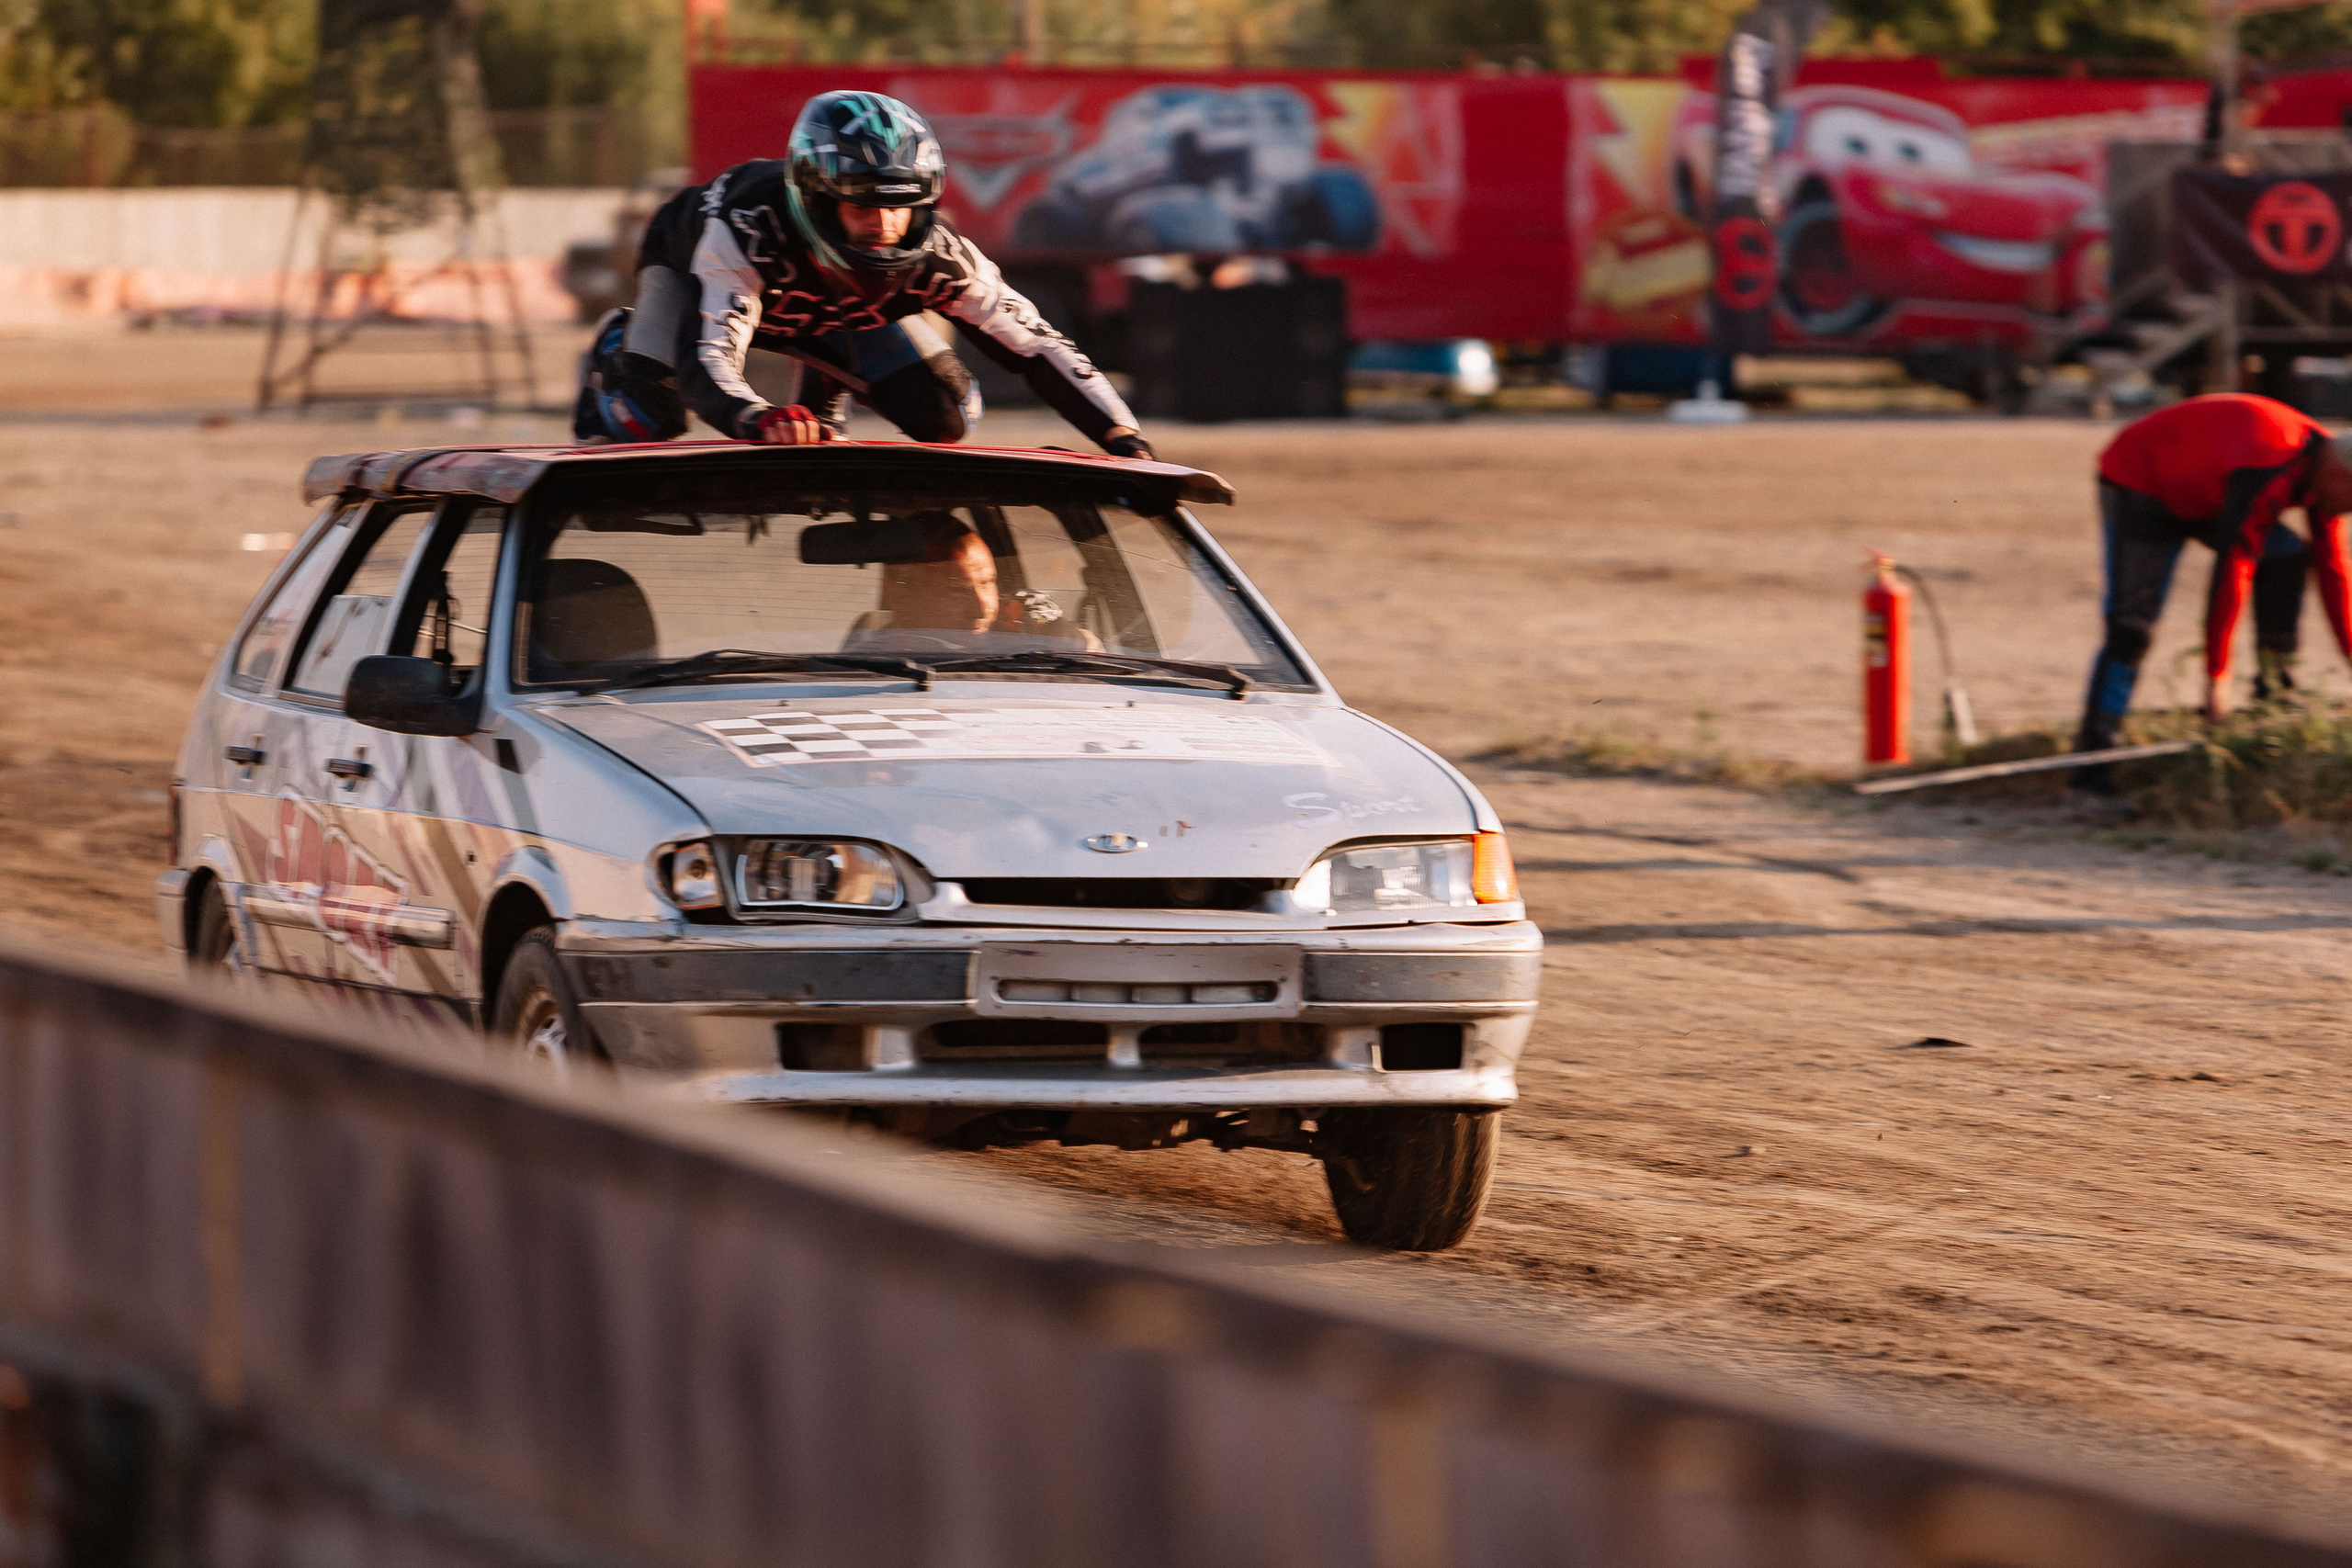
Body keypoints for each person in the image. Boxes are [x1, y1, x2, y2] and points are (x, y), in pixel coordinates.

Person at [574, 90, 1151, 458]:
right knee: (648, 418)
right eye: (863, 205)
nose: (885, 226)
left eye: (900, 205)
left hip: (826, 306)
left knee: (949, 417)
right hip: (689, 275)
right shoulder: (745, 230)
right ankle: (620, 345)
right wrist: (759, 416)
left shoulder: (941, 253)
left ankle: (822, 388)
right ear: (818, 201)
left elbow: (1037, 345)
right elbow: (710, 363)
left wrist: (1125, 440)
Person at [2075, 392, 2352, 793]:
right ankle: (2093, 761)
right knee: (2131, 628)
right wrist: (2216, 679)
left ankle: (2274, 694)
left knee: (2288, 559)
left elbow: (2333, 571)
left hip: (2209, 486)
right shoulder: (2271, 468)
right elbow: (2232, 571)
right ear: (2338, 477)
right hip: (2141, 480)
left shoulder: (2326, 465)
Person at [843, 513, 1102, 655]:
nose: (982, 609)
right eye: (955, 591)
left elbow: (1098, 661)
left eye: (988, 582)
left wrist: (1061, 637)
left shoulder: (1022, 629)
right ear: (898, 595)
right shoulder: (864, 666)